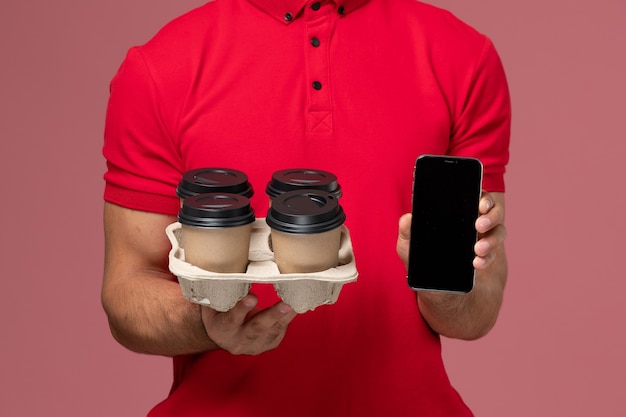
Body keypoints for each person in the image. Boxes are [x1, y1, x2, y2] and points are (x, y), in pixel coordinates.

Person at [101, 0, 510, 415]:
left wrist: (441, 287)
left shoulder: (463, 57)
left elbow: (477, 313)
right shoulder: (159, 66)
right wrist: (208, 320)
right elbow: (127, 293)